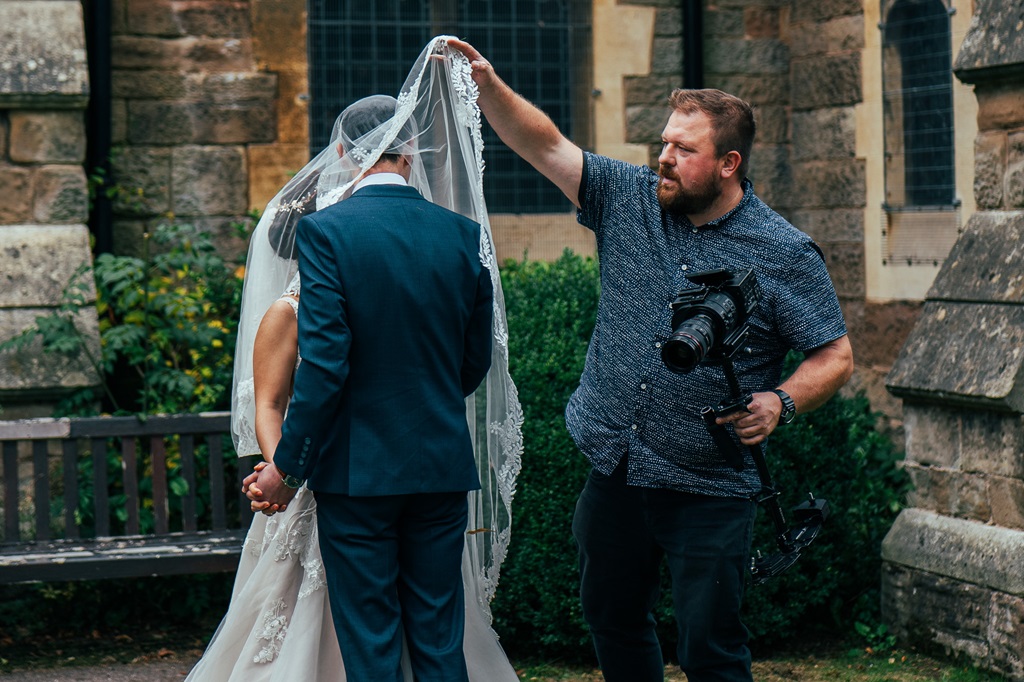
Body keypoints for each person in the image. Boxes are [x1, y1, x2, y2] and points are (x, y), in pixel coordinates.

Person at [448, 39, 854, 682]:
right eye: (664, 143)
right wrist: (487, 82)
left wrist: (781, 402)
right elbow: (546, 145)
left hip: (711, 486)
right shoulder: (627, 198)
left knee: (709, 648)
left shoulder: (784, 251)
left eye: (683, 150)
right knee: (611, 621)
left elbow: (835, 353)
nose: (663, 158)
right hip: (616, 467)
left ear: (728, 163)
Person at [188, 37, 523, 682]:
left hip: (358, 475)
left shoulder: (324, 233)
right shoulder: (462, 236)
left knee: (369, 642)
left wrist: (287, 466)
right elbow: (472, 361)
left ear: (344, 154)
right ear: (408, 155)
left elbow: (328, 368)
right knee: (437, 636)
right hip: (441, 467)